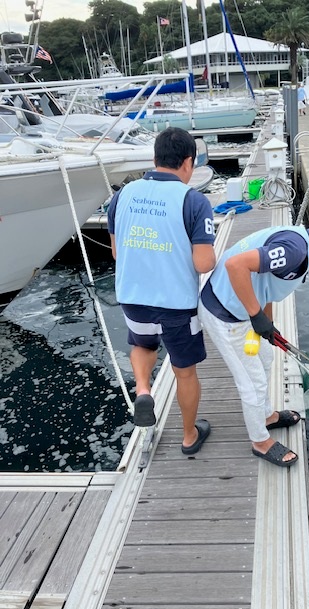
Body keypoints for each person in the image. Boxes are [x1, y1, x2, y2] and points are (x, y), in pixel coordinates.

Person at [198, 217, 309, 468]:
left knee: (266, 359)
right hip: (225, 313)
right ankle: (260, 441)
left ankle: (267, 416)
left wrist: (266, 323)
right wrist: (256, 316)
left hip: (243, 309)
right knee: (252, 381)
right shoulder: (295, 251)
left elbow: (265, 279)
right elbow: (236, 265)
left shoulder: (305, 248)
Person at [108, 127, 216, 455]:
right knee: (184, 371)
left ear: (154, 159)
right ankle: (188, 435)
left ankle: (143, 388)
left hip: (133, 297)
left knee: (142, 345)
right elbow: (203, 262)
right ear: (189, 162)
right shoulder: (194, 201)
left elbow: (116, 252)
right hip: (175, 302)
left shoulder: (121, 196)